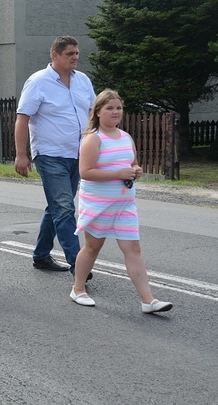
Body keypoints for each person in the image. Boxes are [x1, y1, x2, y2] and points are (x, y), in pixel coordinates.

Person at [70, 89, 173, 314]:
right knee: (93, 247)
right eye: (109, 108)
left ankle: (148, 300)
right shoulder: (92, 138)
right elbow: (85, 172)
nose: (115, 112)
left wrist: (135, 171)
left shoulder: (125, 137)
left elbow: (132, 164)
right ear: (98, 112)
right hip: (98, 204)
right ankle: (78, 289)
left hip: (124, 203)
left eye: (119, 108)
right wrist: (119, 173)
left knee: (133, 248)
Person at [14, 35, 96, 278]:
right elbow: (23, 118)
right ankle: (78, 264)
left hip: (78, 155)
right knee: (64, 208)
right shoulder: (38, 81)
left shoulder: (82, 81)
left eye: (77, 53)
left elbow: (93, 114)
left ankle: (41, 255)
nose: (75, 58)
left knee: (58, 207)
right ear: (55, 55)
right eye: (70, 53)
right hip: (50, 155)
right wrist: (21, 154)